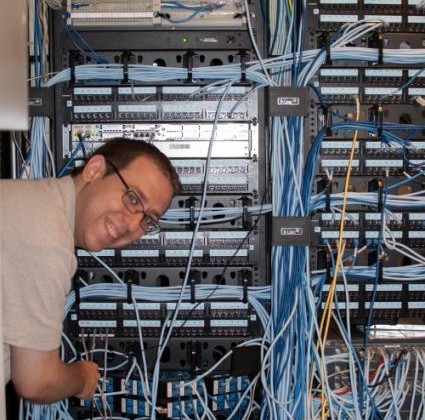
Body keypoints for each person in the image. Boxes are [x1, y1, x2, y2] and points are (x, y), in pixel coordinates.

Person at [0, 138, 181, 403]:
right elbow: (37, 383)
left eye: (147, 219)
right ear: (94, 170)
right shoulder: (48, 239)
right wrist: (83, 377)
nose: (133, 225)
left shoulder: (31, 201)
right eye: (132, 198)